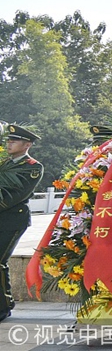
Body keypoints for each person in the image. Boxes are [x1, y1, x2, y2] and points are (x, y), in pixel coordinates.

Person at [0, 125, 43, 323]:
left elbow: (16, 195)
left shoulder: (33, 167)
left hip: (12, 220)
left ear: (27, 145)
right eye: (8, 140)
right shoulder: (4, 163)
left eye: (14, 141)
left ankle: (4, 306)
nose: (9, 144)